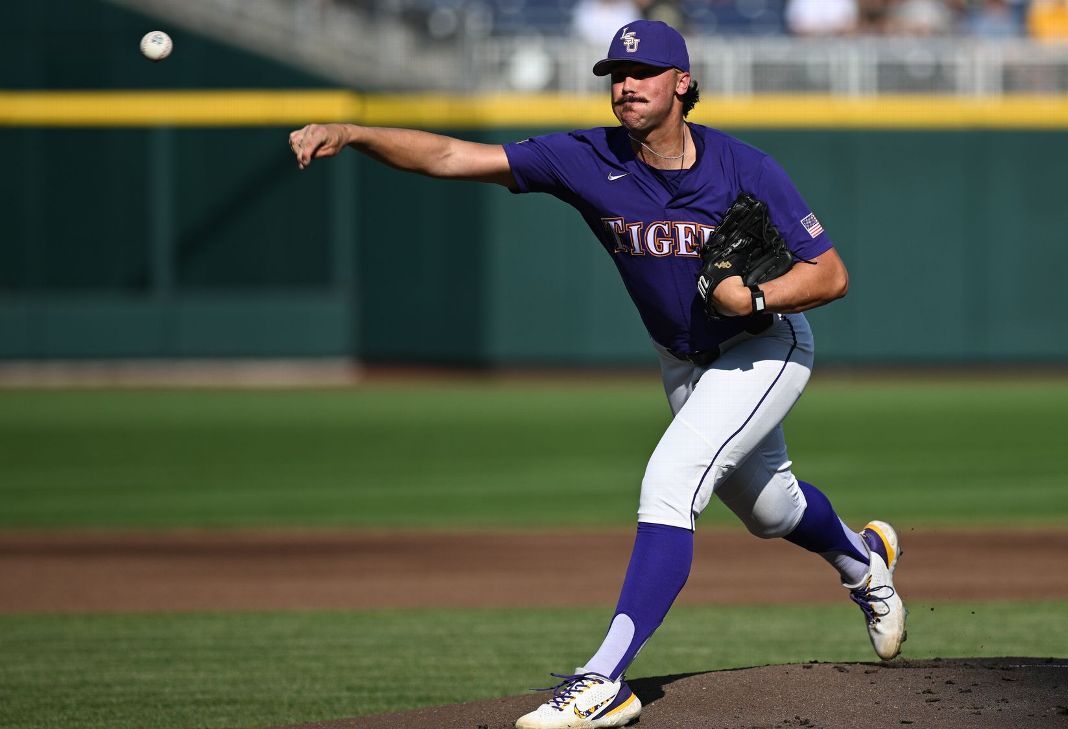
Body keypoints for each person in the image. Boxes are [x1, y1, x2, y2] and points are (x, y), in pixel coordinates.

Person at [289, 20, 906, 729]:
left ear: (682, 83)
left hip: (764, 344)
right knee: (770, 511)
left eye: (642, 73)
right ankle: (866, 560)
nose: (626, 85)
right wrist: (358, 131)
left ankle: (603, 677)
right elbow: (456, 156)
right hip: (683, 356)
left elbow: (831, 273)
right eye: (616, 72)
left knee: (671, 480)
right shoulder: (584, 156)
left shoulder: (746, 168)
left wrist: (758, 296)